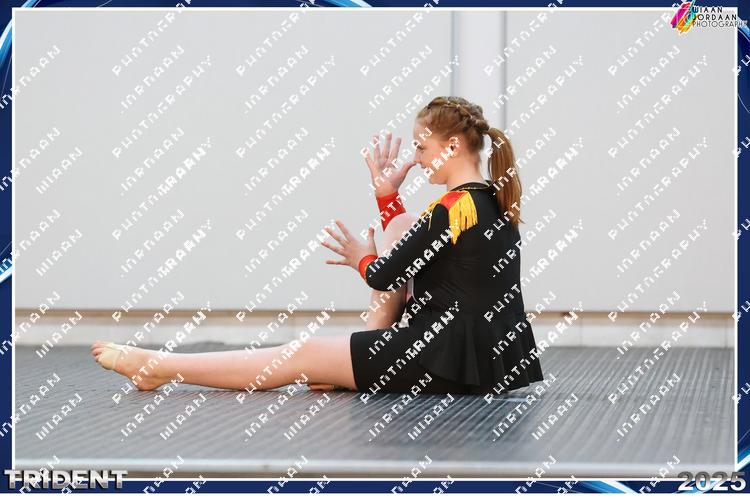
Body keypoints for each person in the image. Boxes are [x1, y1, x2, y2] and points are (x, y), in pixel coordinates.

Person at [91, 96, 544, 399]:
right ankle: (352, 364)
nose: (418, 159)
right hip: (483, 361)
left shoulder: (453, 207)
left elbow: (384, 275)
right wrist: (387, 195)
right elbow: (413, 249)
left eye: (422, 148)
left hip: (440, 355)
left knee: (301, 354)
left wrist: (358, 256)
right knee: (399, 231)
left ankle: (158, 366)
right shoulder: (493, 202)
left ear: (453, 145)